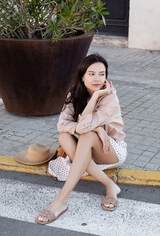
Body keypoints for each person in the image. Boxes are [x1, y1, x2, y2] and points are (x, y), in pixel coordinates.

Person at [35, 54, 127, 224]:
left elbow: (84, 128)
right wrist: (98, 128)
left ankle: (61, 201)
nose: (97, 78)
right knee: (64, 137)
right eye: (91, 74)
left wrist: (95, 99)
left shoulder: (109, 97)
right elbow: (62, 125)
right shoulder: (74, 93)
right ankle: (110, 185)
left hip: (111, 150)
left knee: (87, 133)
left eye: (102, 73)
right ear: (82, 76)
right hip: (89, 146)